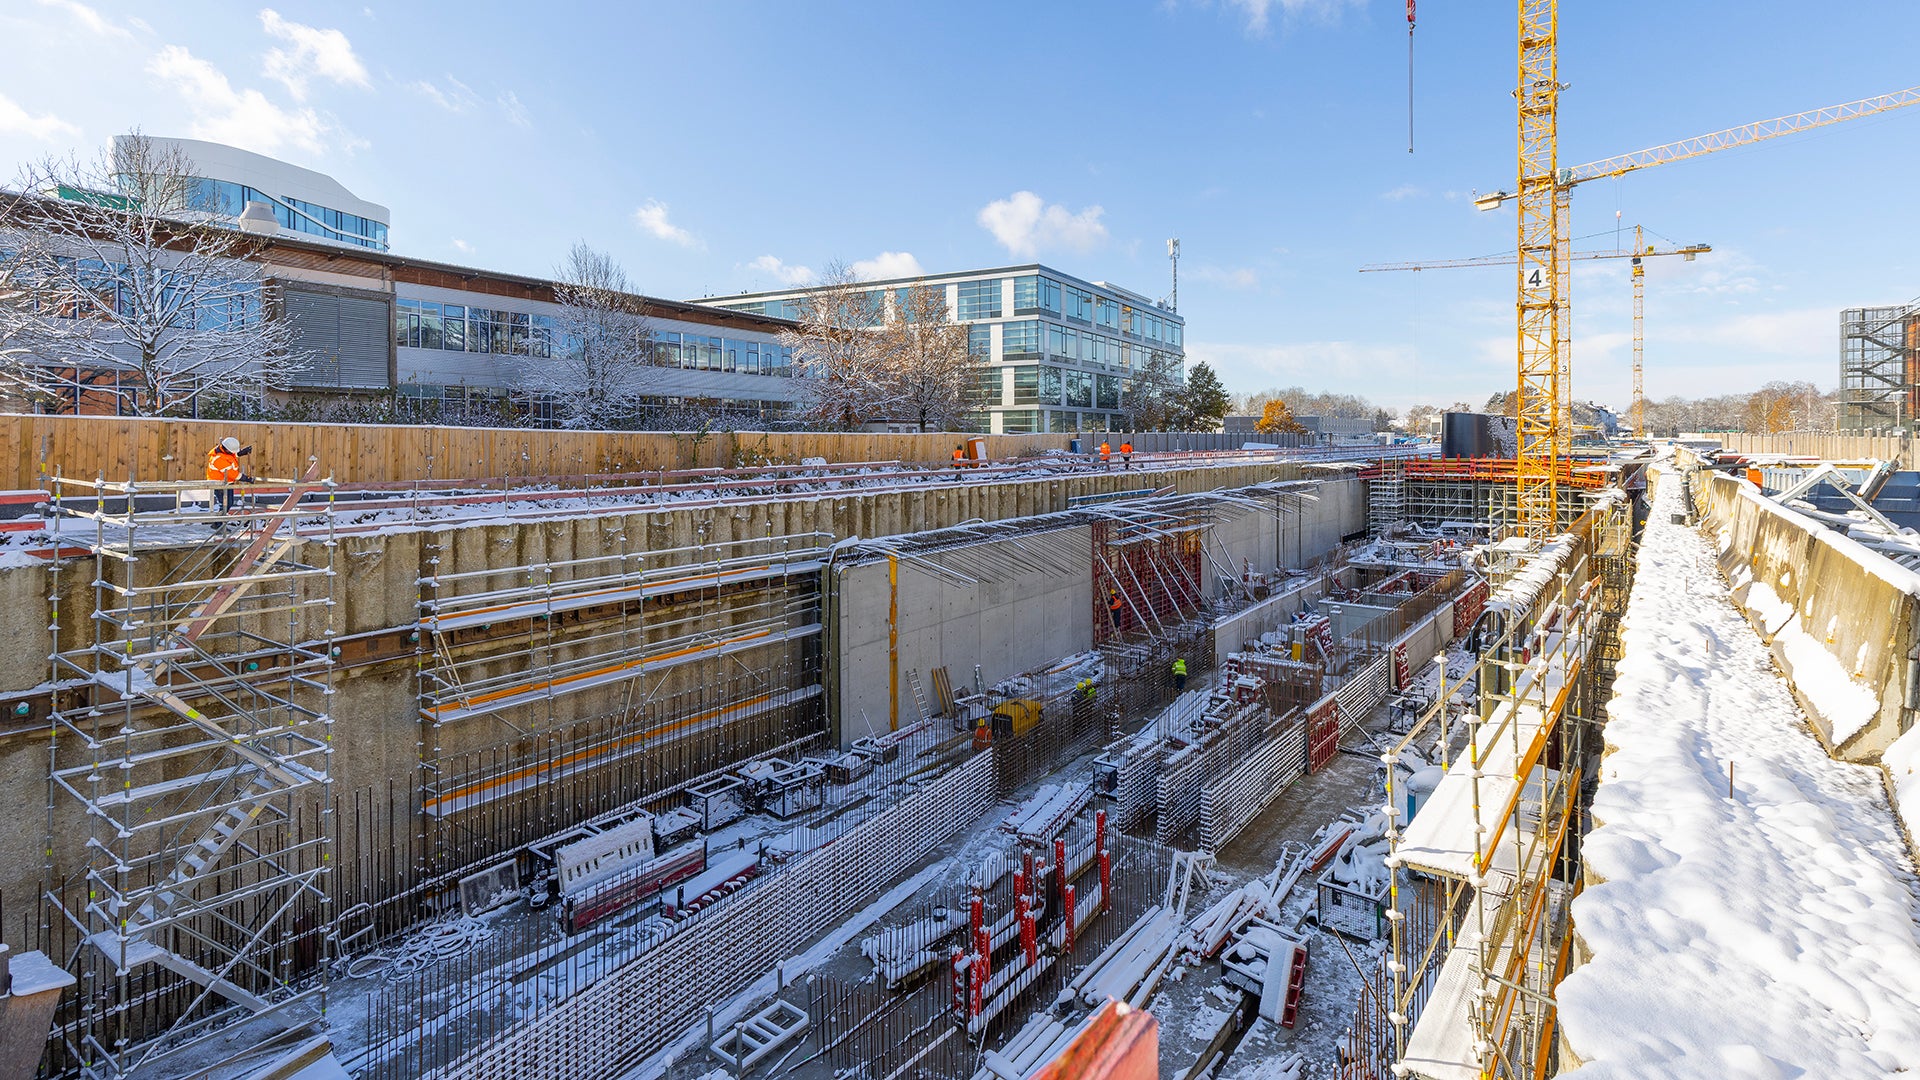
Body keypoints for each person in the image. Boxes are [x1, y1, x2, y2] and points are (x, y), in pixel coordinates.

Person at [204, 436, 252, 513]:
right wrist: (246, 478)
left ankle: (220, 521)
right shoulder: (218, 458)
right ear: (226, 449)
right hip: (219, 484)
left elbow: (229, 456)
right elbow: (232, 473)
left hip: (227, 483)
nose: (233, 453)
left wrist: (241, 453)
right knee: (224, 504)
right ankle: (218, 523)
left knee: (229, 503)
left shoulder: (224, 452)